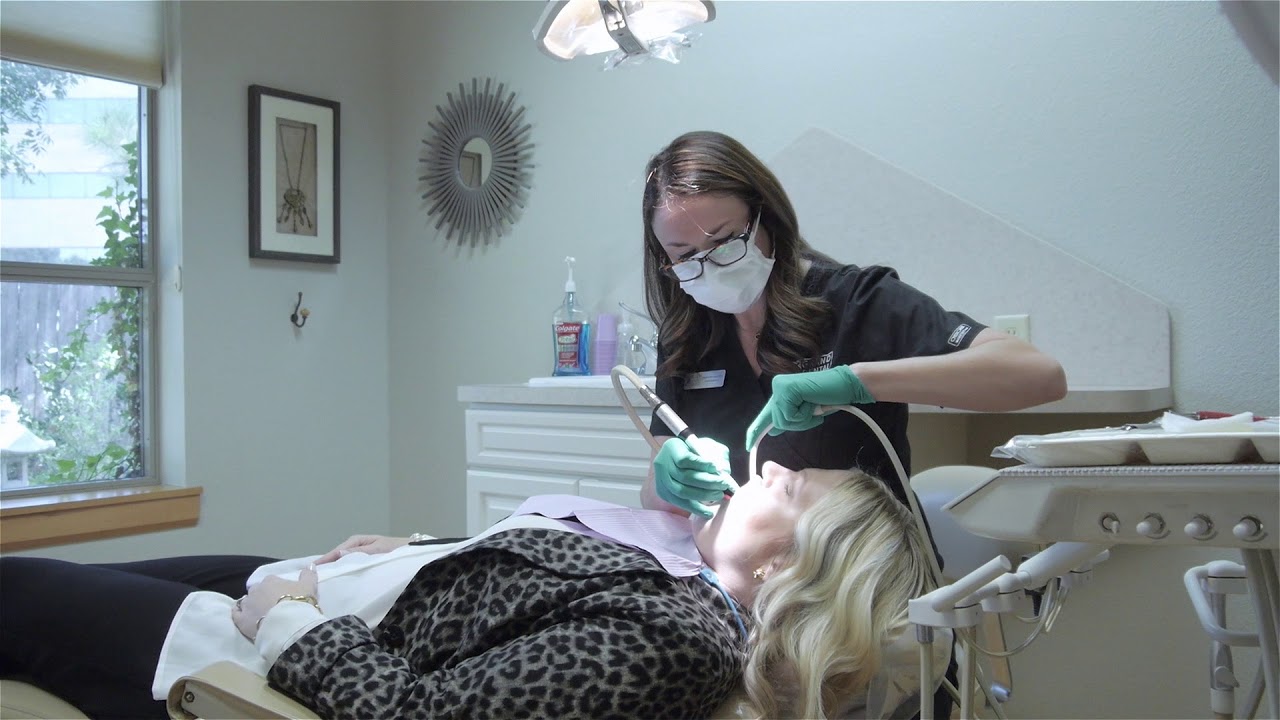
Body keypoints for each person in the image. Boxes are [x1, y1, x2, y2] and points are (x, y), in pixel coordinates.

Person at [0, 462, 936, 720]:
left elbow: (418, 713)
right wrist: (418, 550)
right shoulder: (677, 576)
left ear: (784, 571)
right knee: (67, 582)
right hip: (333, 587)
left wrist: (286, 612)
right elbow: (513, 593)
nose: (767, 465)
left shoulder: (674, 644)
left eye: (792, 489)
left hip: (258, 649)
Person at [641, 130, 1068, 518]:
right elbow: (657, 497)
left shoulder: (857, 301)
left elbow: (1040, 377)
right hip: (746, 581)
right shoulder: (687, 337)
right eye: (684, 256)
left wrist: (857, 382)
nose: (709, 264)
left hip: (864, 578)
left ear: (764, 218)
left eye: (723, 241)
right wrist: (670, 482)